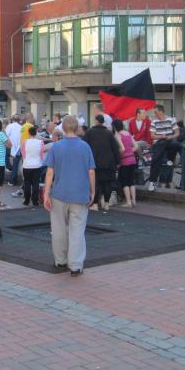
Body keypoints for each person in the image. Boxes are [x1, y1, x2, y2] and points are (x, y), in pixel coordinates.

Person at [43, 116, 95, 276]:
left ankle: (60, 260)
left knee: (58, 228)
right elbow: (91, 171)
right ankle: (76, 265)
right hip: (80, 193)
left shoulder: (56, 147)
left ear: (63, 129)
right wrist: (93, 192)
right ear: (77, 128)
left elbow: (50, 172)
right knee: (77, 229)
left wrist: (46, 193)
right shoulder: (85, 147)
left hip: (59, 192)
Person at [83, 115, 122, 212]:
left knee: (95, 184)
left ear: (96, 121)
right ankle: (106, 204)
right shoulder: (108, 133)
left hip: (95, 162)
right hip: (109, 163)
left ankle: (95, 204)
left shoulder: (89, 132)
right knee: (107, 183)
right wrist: (118, 161)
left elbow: (83, 146)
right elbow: (115, 149)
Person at [148, 105, 179, 191]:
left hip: (169, 140)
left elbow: (177, 133)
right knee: (156, 159)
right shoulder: (154, 121)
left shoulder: (171, 119)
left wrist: (170, 136)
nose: (155, 114)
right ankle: (152, 181)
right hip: (160, 141)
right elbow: (152, 136)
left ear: (161, 112)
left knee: (175, 144)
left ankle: (170, 159)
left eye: (156, 112)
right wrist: (161, 136)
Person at [113, 119, 138, 207]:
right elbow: (136, 146)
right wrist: (130, 151)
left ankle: (128, 202)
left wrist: (118, 154)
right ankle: (134, 200)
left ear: (115, 127)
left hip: (125, 161)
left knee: (125, 182)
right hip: (132, 159)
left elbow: (122, 148)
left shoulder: (118, 135)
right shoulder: (128, 133)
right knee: (131, 181)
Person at [21, 125, 45, 207]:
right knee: (36, 183)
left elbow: (23, 154)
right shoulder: (40, 142)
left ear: (28, 133)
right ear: (36, 133)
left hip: (27, 165)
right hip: (37, 165)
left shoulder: (24, 142)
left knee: (27, 183)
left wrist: (26, 160)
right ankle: (35, 201)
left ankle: (26, 200)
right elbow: (42, 155)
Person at [5, 114, 23, 189]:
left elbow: (6, 135)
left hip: (10, 145)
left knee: (6, 157)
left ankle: (9, 168)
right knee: (16, 164)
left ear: (12, 120)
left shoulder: (9, 126)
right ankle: (13, 180)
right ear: (19, 120)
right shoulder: (21, 127)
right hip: (18, 147)